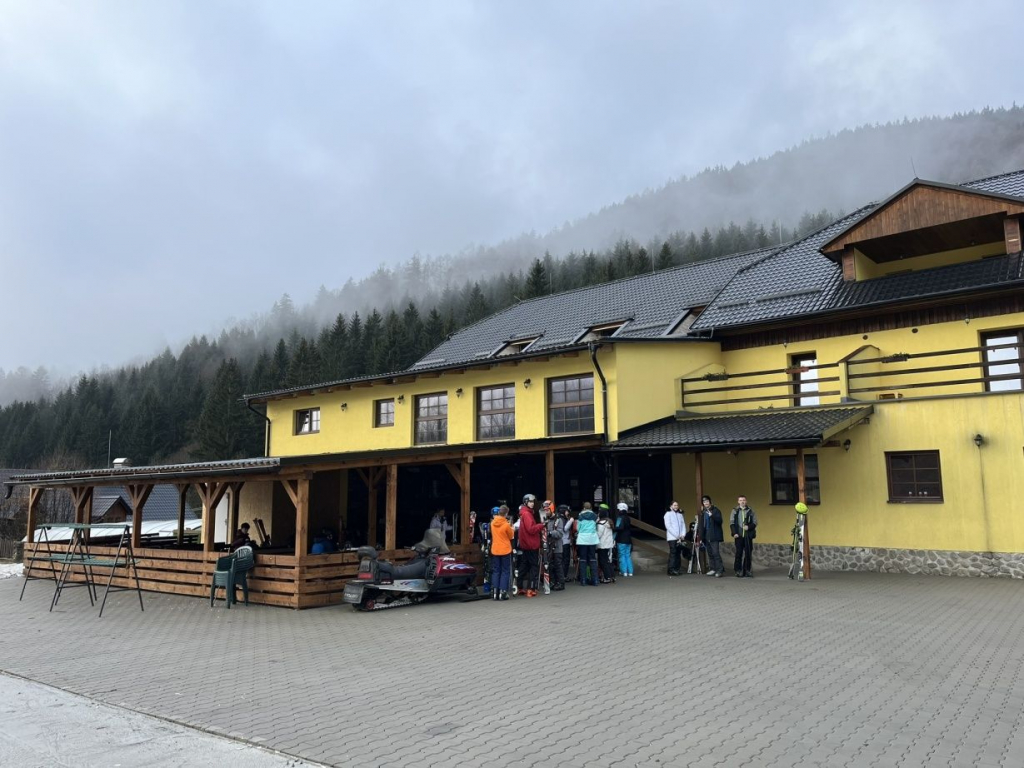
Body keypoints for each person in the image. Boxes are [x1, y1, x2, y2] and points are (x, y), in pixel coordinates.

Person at [517, 494, 543, 597]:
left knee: (524, 565)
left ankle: (519, 587)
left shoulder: (524, 513)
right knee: (533, 566)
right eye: (530, 502)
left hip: (526, 544)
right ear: (525, 502)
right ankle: (531, 588)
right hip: (531, 544)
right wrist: (541, 525)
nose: (532, 504)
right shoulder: (527, 514)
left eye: (533, 502)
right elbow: (531, 529)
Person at [489, 505, 514, 601]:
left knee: (496, 571)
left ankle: (495, 591)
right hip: (505, 549)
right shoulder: (506, 524)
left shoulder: (492, 523)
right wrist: (512, 528)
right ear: (506, 514)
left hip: (495, 549)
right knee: (505, 571)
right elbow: (511, 536)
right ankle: (503, 592)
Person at [730, 495, 758, 577]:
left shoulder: (750, 510)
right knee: (738, 553)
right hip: (738, 536)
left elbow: (755, 522)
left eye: (744, 500)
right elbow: (731, 523)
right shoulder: (735, 511)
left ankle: (747, 570)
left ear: (746, 501)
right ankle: (738, 570)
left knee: (748, 554)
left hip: (748, 536)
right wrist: (734, 533)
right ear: (738, 502)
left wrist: (748, 527)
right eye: (741, 500)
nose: (742, 501)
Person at [696, 495, 724, 577]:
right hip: (706, 535)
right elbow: (701, 526)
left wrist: (712, 515)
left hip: (714, 535)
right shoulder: (703, 512)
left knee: (716, 553)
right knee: (710, 553)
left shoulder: (716, 510)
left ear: (710, 502)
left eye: (707, 501)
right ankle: (713, 569)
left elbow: (720, 521)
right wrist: (701, 537)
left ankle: (719, 570)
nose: (706, 503)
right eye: (704, 502)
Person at [575, 503, 599, 585]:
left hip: (582, 539)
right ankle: (595, 580)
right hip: (592, 539)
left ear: (584, 508)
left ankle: (583, 580)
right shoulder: (595, 516)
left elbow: (578, 528)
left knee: (583, 559)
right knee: (592, 558)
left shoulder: (580, 516)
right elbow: (596, 527)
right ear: (591, 507)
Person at [543, 503, 566, 590]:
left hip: (557, 547)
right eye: (545, 510)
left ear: (551, 509)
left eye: (547, 510)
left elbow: (560, 533)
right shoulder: (545, 520)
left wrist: (549, 533)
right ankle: (552, 581)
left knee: (558, 565)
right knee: (550, 565)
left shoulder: (558, 520)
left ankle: (561, 583)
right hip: (548, 546)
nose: (546, 512)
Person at [664, 501, 686, 576]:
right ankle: (671, 569)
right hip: (672, 537)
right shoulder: (668, 514)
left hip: (680, 537)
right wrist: (676, 535)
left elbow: (683, 525)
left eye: (677, 505)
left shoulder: (680, 514)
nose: (676, 506)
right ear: (671, 506)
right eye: (674, 505)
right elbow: (668, 526)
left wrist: (683, 534)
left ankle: (677, 569)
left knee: (678, 553)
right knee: (673, 553)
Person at [614, 502, 634, 577]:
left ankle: (624, 571)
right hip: (628, 539)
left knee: (622, 555)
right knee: (627, 555)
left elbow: (619, 527)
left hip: (621, 539)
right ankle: (630, 571)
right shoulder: (628, 518)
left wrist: (613, 528)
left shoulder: (619, 518)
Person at [596, 508, 616, 583]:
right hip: (608, 544)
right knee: (607, 561)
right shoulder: (609, 522)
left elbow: (599, 534)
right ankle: (612, 576)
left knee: (603, 561)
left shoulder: (601, 523)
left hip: (602, 544)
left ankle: (607, 577)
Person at [559, 505, 576, 582]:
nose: (568, 513)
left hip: (563, 541)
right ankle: (564, 576)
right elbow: (565, 529)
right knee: (565, 560)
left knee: (562, 560)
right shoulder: (562, 519)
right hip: (564, 542)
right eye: (567, 511)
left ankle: (562, 575)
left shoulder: (560, 518)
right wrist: (571, 521)